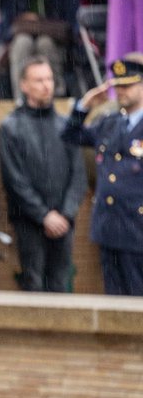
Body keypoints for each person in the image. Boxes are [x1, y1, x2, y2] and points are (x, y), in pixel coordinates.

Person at [0, 58, 85, 292]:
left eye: (49, 79)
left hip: (64, 222)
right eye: (38, 80)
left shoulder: (66, 125)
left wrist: (65, 214)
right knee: (33, 284)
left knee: (60, 281)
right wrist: (44, 215)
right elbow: (14, 179)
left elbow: (78, 175)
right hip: (29, 222)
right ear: (24, 85)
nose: (46, 85)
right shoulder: (11, 126)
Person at [62, 56, 143, 295]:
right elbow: (70, 136)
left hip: (138, 227)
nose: (121, 92)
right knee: (113, 298)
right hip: (109, 225)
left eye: (128, 85)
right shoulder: (110, 122)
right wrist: (84, 107)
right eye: (117, 86)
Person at [0, 0, 81, 99]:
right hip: (23, 43)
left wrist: (44, 18)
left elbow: (73, 30)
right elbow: (4, 30)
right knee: (22, 42)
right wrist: (23, 19)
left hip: (59, 47)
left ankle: (54, 93)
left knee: (45, 43)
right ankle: (21, 98)